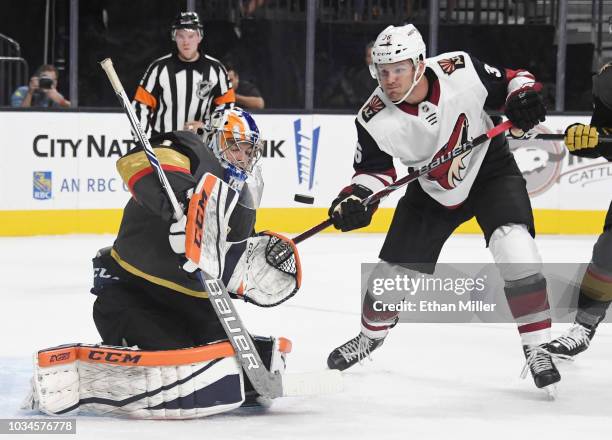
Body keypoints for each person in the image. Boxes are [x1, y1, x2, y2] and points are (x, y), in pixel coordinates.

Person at [23, 108, 302, 418]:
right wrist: (186, 202)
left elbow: (225, 264)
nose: (240, 156)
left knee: (221, 353)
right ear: (213, 139)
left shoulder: (243, 199)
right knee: (171, 351)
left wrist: (253, 270)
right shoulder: (191, 151)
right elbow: (139, 162)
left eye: (248, 150)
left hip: (191, 303)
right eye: (233, 146)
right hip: (133, 293)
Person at [325, 24, 559, 393]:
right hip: (432, 187)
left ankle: (537, 347)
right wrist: (354, 199)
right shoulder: (371, 117)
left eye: (398, 69)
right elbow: (374, 172)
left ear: (418, 63)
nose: (390, 80)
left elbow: (517, 80)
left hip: (489, 170)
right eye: (382, 71)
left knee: (516, 249)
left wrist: (523, 97)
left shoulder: (460, 69)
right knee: (385, 284)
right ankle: (370, 337)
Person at [546, 63, 612, 357]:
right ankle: (583, 328)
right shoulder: (609, 79)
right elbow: (605, 136)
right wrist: (585, 139)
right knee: (607, 256)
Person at [133, 11, 235, 138]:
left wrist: (207, 126)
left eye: (191, 36)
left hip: (202, 145)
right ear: (174, 37)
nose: (186, 42)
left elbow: (227, 109)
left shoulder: (216, 69)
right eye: (181, 36)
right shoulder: (159, 68)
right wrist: (144, 143)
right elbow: (141, 107)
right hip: (164, 145)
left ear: (200, 37)